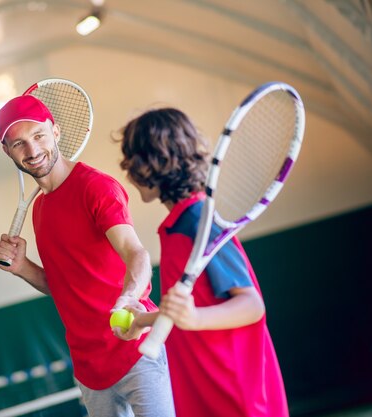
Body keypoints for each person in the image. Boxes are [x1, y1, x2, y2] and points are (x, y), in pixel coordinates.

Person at [0, 94, 176, 417]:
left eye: (38, 136)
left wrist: (129, 297)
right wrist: (22, 267)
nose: (32, 151)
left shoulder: (96, 187)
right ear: (6, 151)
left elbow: (137, 253)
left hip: (135, 350)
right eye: (19, 144)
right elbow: (65, 287)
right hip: (89, 370)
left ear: (56, 131)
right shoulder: (40, 209)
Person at [116, 107, 289, 417]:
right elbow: (184, 313)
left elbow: (251, 305)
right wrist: (140, 323)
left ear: (151, 164)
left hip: (236, 394)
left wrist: (194, 319)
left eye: (132, 161)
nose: (127, 172)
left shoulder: (198, 221)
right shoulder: (176, 226)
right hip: (203, 391)